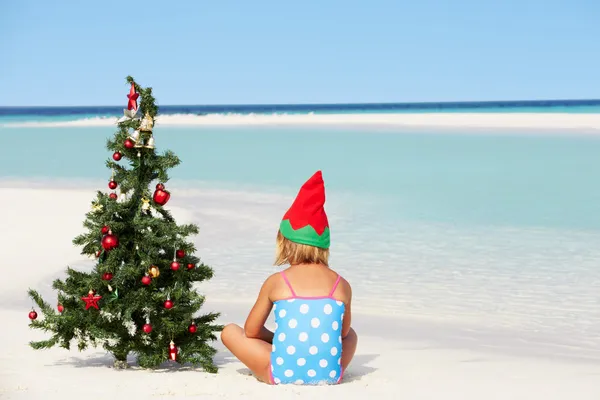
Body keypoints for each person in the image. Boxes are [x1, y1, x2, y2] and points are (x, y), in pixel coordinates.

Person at [221, 170, 357, 385]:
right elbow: (343, 333)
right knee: (353, 336)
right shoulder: (342, 284)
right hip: (329, 374)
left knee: (230, 331)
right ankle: (328, 373)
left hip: (281, 373)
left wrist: (279, 339)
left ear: (284, 243)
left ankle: (282, 361)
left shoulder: (277, 282)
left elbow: (251, 331)